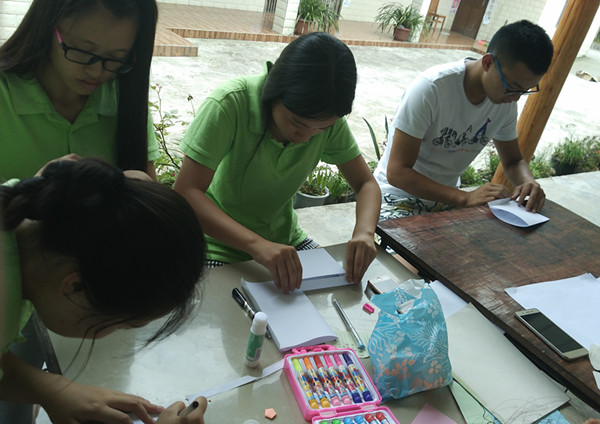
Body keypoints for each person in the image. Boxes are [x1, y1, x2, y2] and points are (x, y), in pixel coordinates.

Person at [0, 158, 209, 424]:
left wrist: (52, 389)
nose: (110, 334)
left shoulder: (20, 217)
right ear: (74, 286)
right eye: (120, 324)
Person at [174, 32, 381, 294]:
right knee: (229, 309)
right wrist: (257, 245)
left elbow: (366, 183)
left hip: (285, 243)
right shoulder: (230, 103)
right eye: (297, 123)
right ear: (274, 91)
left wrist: (365, 232)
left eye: (321, 129)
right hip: (217, 244)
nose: (305, 137)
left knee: (339, 295)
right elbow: (186, 192)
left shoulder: (325, 120)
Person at [374, 20, 554, 220]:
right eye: (513, 87)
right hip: (395, 196)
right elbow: (397, 173)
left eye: (525, 91)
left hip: (447, 201)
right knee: (412, 242)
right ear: (487, 62)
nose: (516, 97)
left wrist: (528, 182)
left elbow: (513, 161)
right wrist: (465, 198)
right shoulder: (432, 89)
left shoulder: (505, 101)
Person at [0, 0, 160, 182]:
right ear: (47, 26)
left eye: (116, 57)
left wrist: (142, 191)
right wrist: (32, 190)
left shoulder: (122, 96)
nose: (96, 72)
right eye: (83, 51)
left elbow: (148, 180)